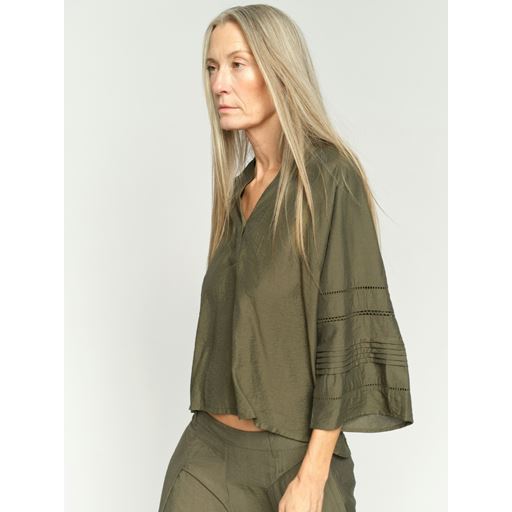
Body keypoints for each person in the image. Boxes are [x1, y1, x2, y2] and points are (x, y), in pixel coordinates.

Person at [157, 4, 413, 512]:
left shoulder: (329, 178)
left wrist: (313, 477)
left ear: (278, 70)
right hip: (208, 455)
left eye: (238, 64)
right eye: (212, 68)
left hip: (294, 459)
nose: (219, 84)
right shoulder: (238, 191)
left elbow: (345, 332)